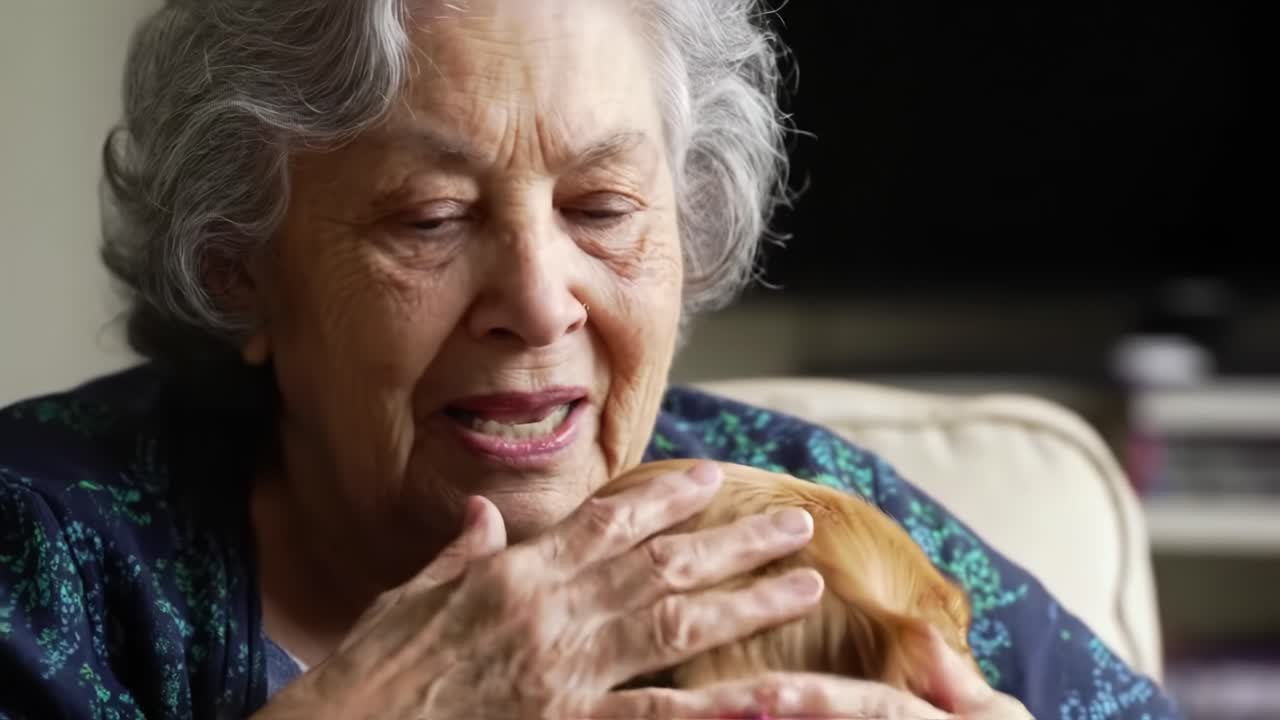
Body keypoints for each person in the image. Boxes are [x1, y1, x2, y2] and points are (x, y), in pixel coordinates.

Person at [0, 0, 1180, 718]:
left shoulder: (812, 527)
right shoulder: (34, 550)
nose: (535, 299)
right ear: (236, 267)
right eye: (428, 217)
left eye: (603, 207)